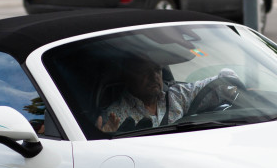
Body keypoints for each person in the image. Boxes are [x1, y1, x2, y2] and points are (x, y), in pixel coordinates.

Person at [96, 54, 241, 134]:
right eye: (144, 72)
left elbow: (218, 83)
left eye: (157, 70)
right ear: (128, 78)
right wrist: (107, 134)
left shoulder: (176, 95)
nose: (154, 77)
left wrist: (233, 86)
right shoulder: (115, 114)